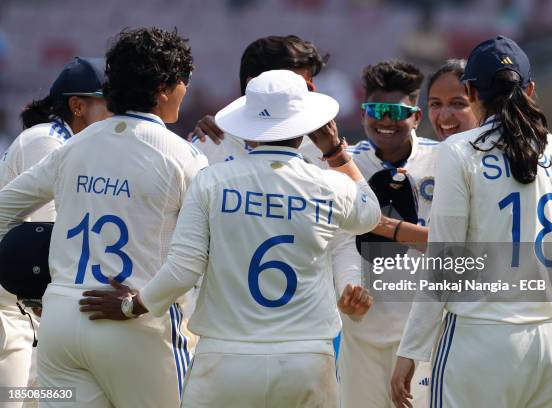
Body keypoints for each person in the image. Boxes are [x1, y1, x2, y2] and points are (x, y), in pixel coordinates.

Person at [78, 69, 381, 407]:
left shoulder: (212, 181)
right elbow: (370, 215)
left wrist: (131, 305)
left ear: (249, 123)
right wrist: (336, 153)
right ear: (307, 126)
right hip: (306, 358)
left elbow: (183, 270)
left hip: (225, 359)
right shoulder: (332, 186)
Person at [0, 27, 208, 407]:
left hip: (62, 322)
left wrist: (31, 286)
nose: (186, 89)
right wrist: (135, 304)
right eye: (184, 80)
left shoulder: (73, 146)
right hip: (135, 322)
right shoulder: (185, 157)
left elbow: (2, 210)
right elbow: (189, 264)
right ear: (164, 87)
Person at [391, 35, 552, 408]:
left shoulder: (459, 150)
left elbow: (445, 263)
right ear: (531, 89)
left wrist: (411, 350)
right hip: (550, 345)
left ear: (471, 90)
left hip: (478, 339)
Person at [0, 56, 110, 404]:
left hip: (27, 307)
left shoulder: (68, 142)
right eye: (111, 102)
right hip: (9, 312)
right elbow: (46, 237)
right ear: (78, 105)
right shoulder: (47, 141)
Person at [335, 60, 436, 408]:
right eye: (376, 109)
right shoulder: (345, 163)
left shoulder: (443, 161)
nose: (386, 120)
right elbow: (342, 240)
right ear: (363, 114)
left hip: (424, 337)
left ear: (417, 117)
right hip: (361, 333)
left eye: (396, 111)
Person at [189, 34, 328, 166]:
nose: (306, 98)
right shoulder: (205, 148)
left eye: (307, 89)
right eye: (294, 89)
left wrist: (336, 154)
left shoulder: (323, 150)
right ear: (254, 85)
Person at [426, 59, 478, 141]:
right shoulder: (423, 152)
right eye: (436, 104)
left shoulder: (500, 152)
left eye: (458, 103)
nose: (444, 117)